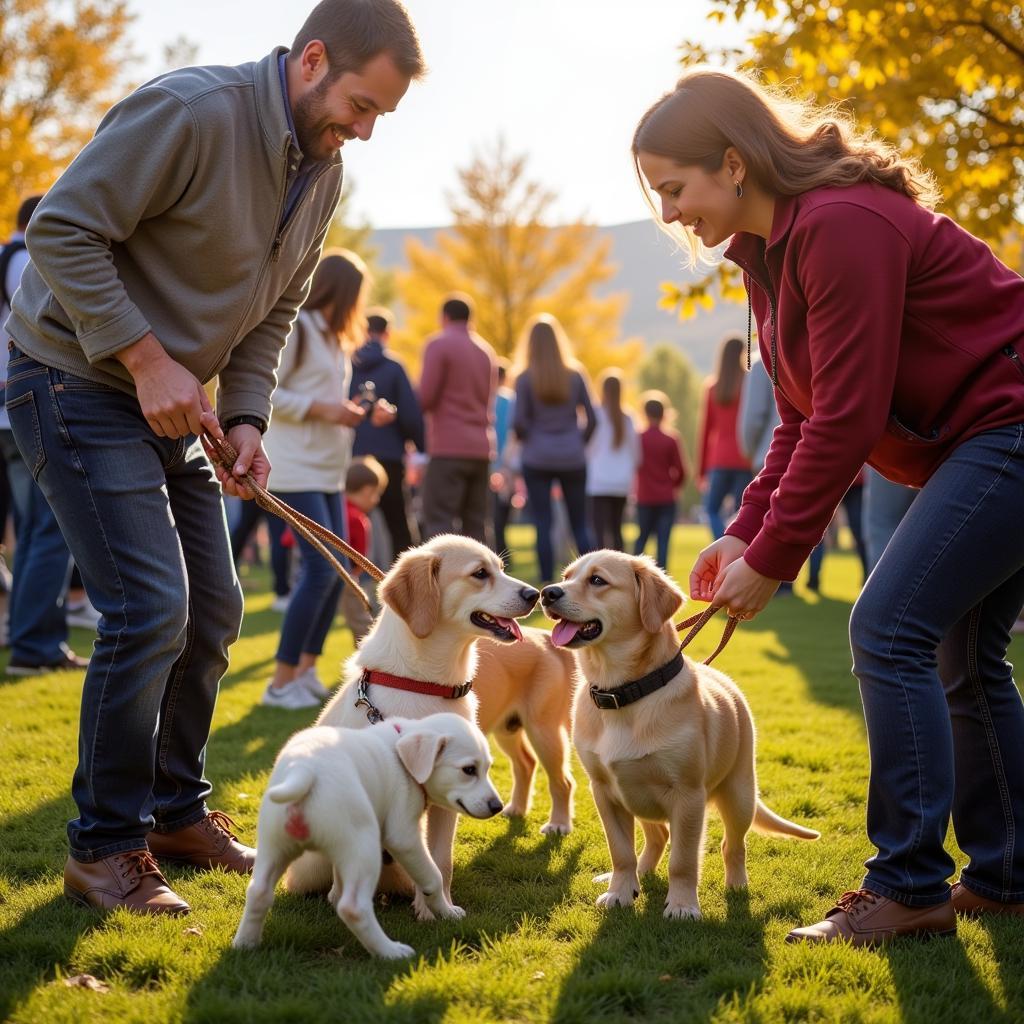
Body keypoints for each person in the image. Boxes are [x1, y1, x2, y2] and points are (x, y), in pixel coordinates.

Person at [4, 0, 422, 915]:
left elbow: (272, 311)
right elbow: (62, 229)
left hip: (181, 409)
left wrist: (246, 420)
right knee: (150, 605)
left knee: (216, 608)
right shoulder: (191, 111)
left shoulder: (325, 171)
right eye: (361, 105)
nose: (366, 130)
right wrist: (147, 359)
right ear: (312, 59)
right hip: (72, 375)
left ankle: (173, 814)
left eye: (380, 117)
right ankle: (103, 848)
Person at [634, 66, 1024, 945]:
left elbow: (847, 417)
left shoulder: (841, 226)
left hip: (1009, 426)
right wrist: (742, 530)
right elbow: (803, 416)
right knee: (962, 651)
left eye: (675, 188)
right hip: (979, 442)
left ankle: (910, 885)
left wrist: (776, 559)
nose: (669, 214)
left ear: (733, 163)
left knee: (887, 629)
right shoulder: (769, 255)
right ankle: (1005, 879)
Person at [261, 250, 383, 710]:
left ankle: (305, 671)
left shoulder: (334, 339)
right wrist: (325, 409)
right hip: (295, 467)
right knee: (318, 571)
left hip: (329, 469)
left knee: (336, 576)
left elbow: (326, 397)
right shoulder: (299, 328)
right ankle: (279, 682)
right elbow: (268, 389)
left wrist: (361, 411)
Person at [0, 195, 89, 675]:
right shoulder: (28, 260)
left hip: (7, 409)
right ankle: (36, 645)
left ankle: (25, 636)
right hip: (26, 405)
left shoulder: (2, 256)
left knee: (32, 531)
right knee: (50, 529)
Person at [513, 314, 596, 584]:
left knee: (542, 522)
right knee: (579, 523)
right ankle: (592, 576)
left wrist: (534, 439)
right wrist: (576, 441)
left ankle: (547, 578)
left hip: (537, 457)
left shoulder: (525, 378)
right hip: (572, 456)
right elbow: (592, 419)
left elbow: (518, 423)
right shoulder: (575, 375)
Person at [418, 295, 497, 544]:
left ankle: (439, 581)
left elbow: (426, 397)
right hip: (481, 447)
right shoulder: (486, 351)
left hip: (448, 445)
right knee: (476, 522)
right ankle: (483, 581)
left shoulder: (438, 345)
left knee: (439, 520)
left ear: (445, 317)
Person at [349, 306, 423, 560]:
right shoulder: (394, 367)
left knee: (350, 518)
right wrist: (420, 447)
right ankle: (406, 581)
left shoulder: (347, 364)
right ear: (387, 333)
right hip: (389, 455)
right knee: (398, 523)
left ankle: (352, 576)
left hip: (353, 455)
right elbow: (411, 414)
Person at [737, 353, 791, 595]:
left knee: (771, 516)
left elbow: (752, 419)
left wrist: (751, 452)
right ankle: (805, 578)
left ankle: (775, 578)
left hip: (772, 453)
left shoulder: (763, 362)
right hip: (810, 448)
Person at [698, 334, 752, 539]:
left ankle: (721, 543)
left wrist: (701, 470)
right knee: (742, 513)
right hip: (744, 457)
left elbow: (705, 431)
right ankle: (734, 546)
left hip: (719, 459)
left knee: (711, 510)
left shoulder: (713, 388)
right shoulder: (748, 384)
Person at [586, 368, 640, 551]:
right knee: (617, 529)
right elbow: (637, 454)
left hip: (599, 480)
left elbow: (589, 448)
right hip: (621, 482)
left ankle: (600, 569)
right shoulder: (628, 418)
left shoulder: (596, 415)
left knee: (599, 530)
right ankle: (619, 568)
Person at [633, 391, 687, 570]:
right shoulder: (671, 439)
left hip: (644, 496)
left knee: (642, 539)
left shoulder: (638, 439)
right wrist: (673, 486)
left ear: (645, 413)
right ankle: (661, 576)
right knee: (663, 541)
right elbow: (681, 470)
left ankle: (632, 574)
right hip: (666, 497)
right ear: (664, 413)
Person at [341, 455, 388, 645]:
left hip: (316, 573)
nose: (376, 500)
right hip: (347, 577)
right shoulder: (358, 519)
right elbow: (360, 556)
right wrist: (356, 574)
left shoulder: (334, 508)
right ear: (367, 491)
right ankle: (371, 658)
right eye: (376, 494)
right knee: (362, 622)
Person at [491, 359, 518, 562]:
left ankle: (497, 550)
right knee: (503, 512)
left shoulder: (486, 398)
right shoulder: (511, 401)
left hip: (488, 460)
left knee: (490, 513)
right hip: (507, 462)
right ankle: (504, 552)